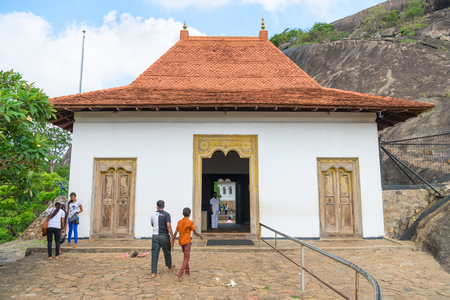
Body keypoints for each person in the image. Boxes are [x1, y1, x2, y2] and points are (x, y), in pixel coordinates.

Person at [171, 207, 203, 282]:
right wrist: (200, 235)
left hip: (181, 242)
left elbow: (175, 232)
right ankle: (180, 273)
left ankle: (187, 271)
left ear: (183, 214)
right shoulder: (190, 222)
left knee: (186, 255)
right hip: (187, 242)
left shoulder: (179, 222)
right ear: (190, 214)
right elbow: (194, 232)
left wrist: (172, 241)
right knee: (186, 257)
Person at [151, 200, 176, 278]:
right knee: (167, 252)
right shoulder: (167, 215)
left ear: (157, 206)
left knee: (155, 254)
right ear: (164, 206)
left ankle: (153, 272)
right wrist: (172, 235)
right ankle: (169, 266)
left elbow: (152, 224)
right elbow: (168, 225)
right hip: (164, 235)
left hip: (155, 236)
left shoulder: (153, 214)